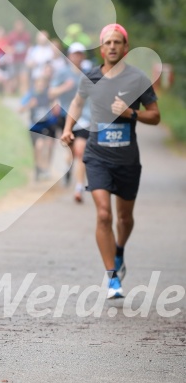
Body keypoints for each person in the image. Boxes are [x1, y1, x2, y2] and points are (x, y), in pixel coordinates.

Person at [61, 24, 160, 299]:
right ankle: (112, 278)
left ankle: (119, 251)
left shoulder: (138, 79)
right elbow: (78, 104)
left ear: (125, 48)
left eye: (118, 42)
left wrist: (131, 113)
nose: (113, 46)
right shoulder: (89, 77)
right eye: (108, 43)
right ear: (102, 48)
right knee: (104, 214)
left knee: (124, 218)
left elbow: (156, 116)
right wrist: (69, 127)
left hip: (127, 160)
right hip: (97, 156)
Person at [49, 42, 91, 202]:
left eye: (80, 54)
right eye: (75, 54)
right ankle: (68, 168)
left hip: (85, 118)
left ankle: (79, 187)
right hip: (66, 118)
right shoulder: (62, 73)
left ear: (83, 56)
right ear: (69, 56)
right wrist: (64, 88)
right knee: (72, 152)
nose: (77, 57)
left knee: (81, 151)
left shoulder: (88, 73)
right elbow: (51, 91)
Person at [20, 76, 58, 181]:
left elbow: (56, 106)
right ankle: (38, 167)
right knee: (38, 147)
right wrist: (29, 105)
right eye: (38, 85)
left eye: (42, 85)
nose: (40, 87)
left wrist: (55, 108)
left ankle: (46, 167)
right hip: (35, 126)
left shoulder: (49, 95)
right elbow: (20, 109)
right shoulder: (30, 95)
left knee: (48, 145)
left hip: (47, 124)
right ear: (35, 85)